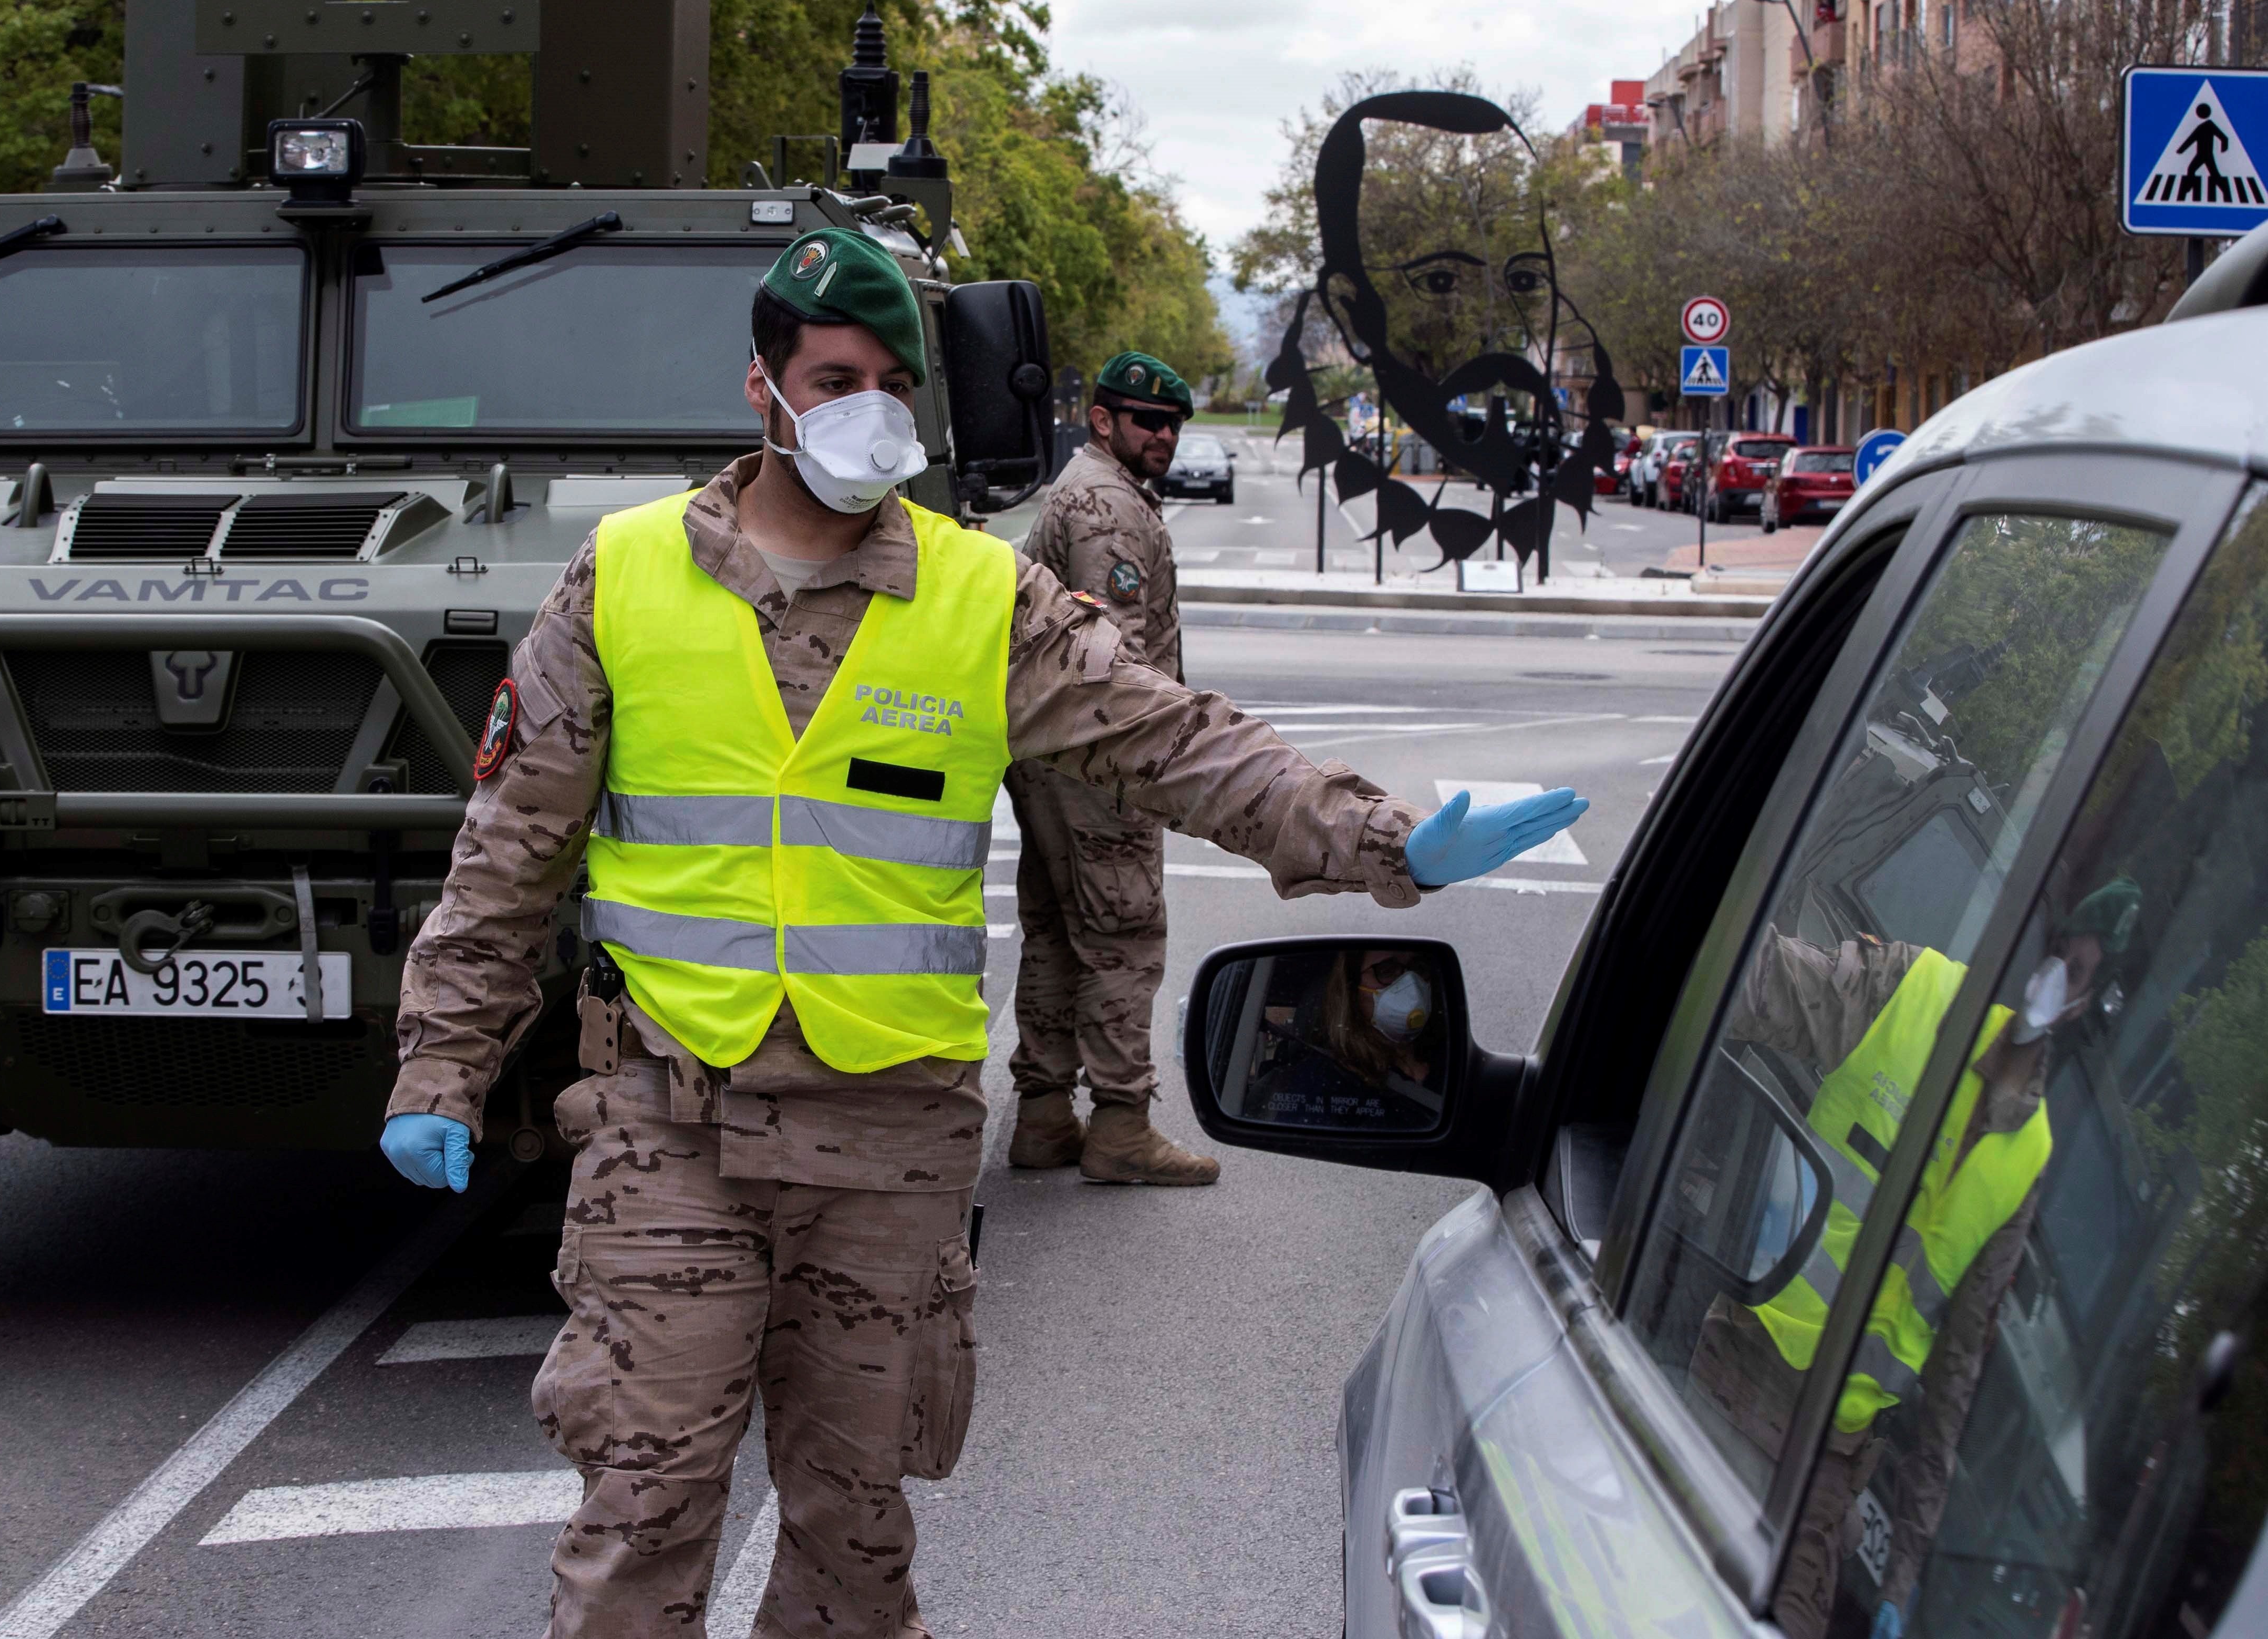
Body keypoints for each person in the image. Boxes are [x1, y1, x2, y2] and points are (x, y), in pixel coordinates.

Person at [379, 227, 1586, 1639]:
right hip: (671, 1129)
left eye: (895, 378)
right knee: (637, 1532)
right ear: (762, 388)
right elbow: (510, 847)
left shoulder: (979, 597)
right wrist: (438, 1062)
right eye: (835, 375)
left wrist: (1383, 838)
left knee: (853, 1546)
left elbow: (1175, 741)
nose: (868, 407)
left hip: (887, 1143)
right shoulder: (628, 574)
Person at [1694, 878, 2136, 1639]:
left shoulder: (2022, 1163)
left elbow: (1957, 1371)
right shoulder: (1914, 990)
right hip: (1730, 1381)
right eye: (2056, 951)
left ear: (2080, 1007)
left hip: (1821, 1473)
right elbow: (1760, 985)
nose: (2053, 975)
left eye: (2078, 971)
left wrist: (1901, 1573)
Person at [1003, 349, 1214, 1183]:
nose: (1164, 436)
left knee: (1057, 931)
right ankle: (1121, 1123)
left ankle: (1045, 1115)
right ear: (1103, 420)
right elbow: (1115, 659)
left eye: (1172, 425)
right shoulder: (1104, 506)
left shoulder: (1092, 491)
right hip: (1100, 756)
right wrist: (1160, 758)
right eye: (1147, 421)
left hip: (1052, 750)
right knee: (1123, 935)